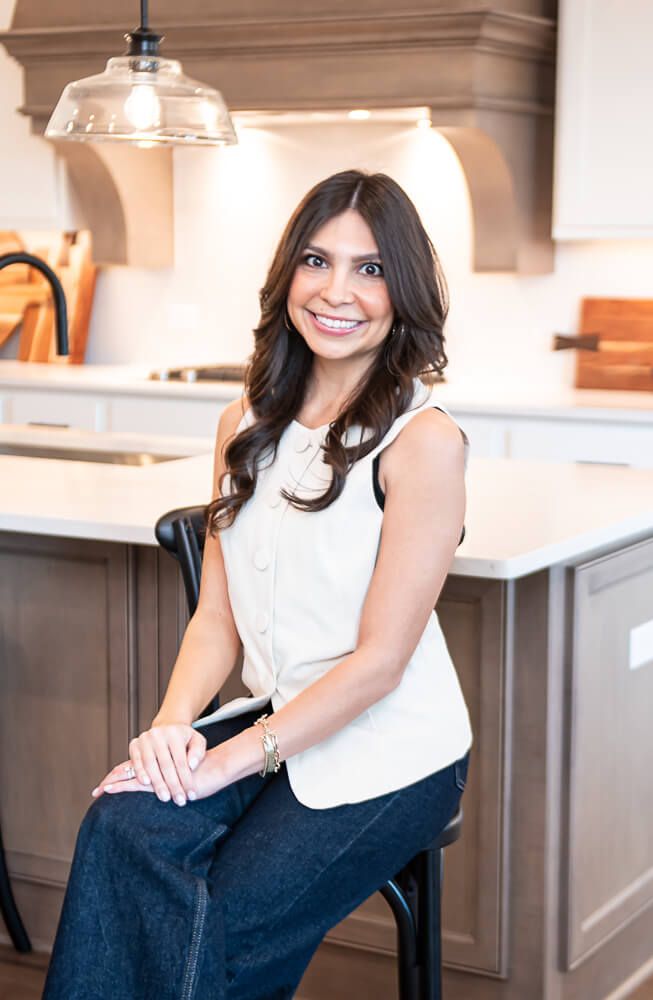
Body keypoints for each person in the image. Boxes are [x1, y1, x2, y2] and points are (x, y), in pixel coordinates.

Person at [42, 169, 473, 1000]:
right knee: (122, 824)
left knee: (217, 937)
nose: (336, 291)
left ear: (404, 292)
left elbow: (381, 664)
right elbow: (217, 616)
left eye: (370, 268)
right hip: (279, 720)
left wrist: (223, 765)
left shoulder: (422, 441)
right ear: (287, 275)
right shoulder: (244, 421)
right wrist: (171, 731)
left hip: (392, 751)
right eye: (316, 260)